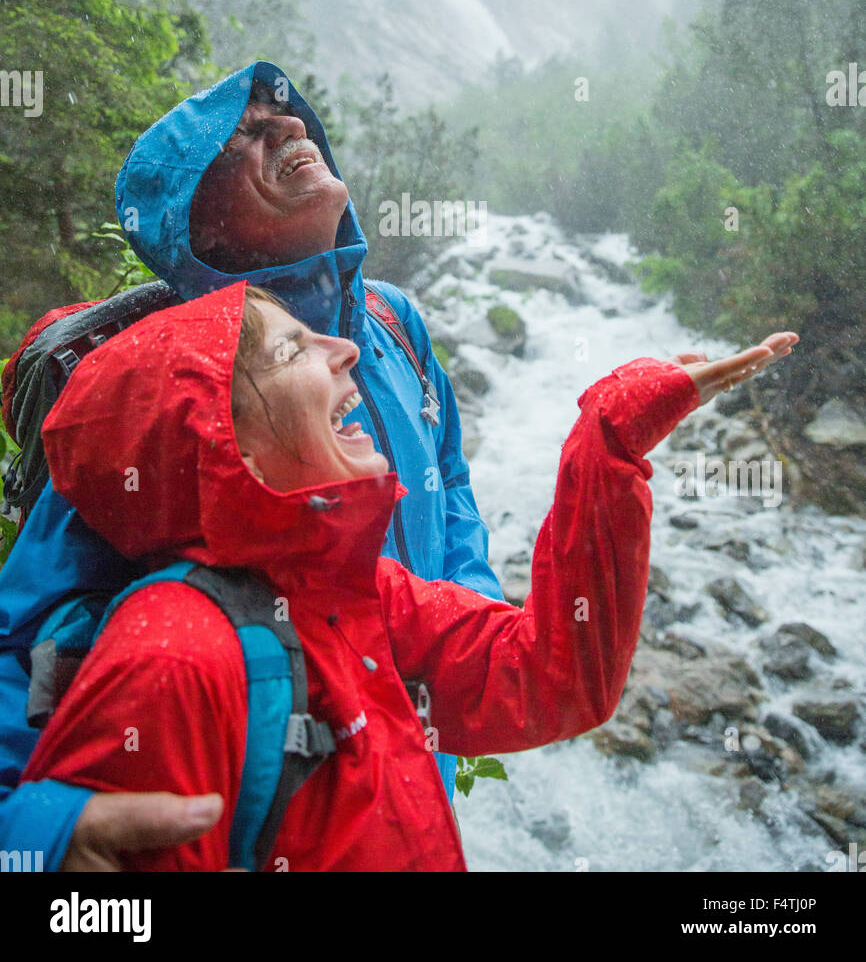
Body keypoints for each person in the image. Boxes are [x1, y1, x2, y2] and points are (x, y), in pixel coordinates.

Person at [20, 282, 797, 870]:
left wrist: (611, 438)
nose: (346, 348)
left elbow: (555, 678)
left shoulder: (360, 595)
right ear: (229, 451)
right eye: (294, 351)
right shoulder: (175, 655)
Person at [0, 62, 501, 869]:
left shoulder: (394, 322)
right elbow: (26, 645)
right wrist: (38, 835)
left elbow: (450, 492)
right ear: (204, 233)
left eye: (289, 117)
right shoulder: (164, 398)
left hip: (409, 777)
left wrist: (468, 635)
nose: (291, 129)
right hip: (272, 812)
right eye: (251, 137)